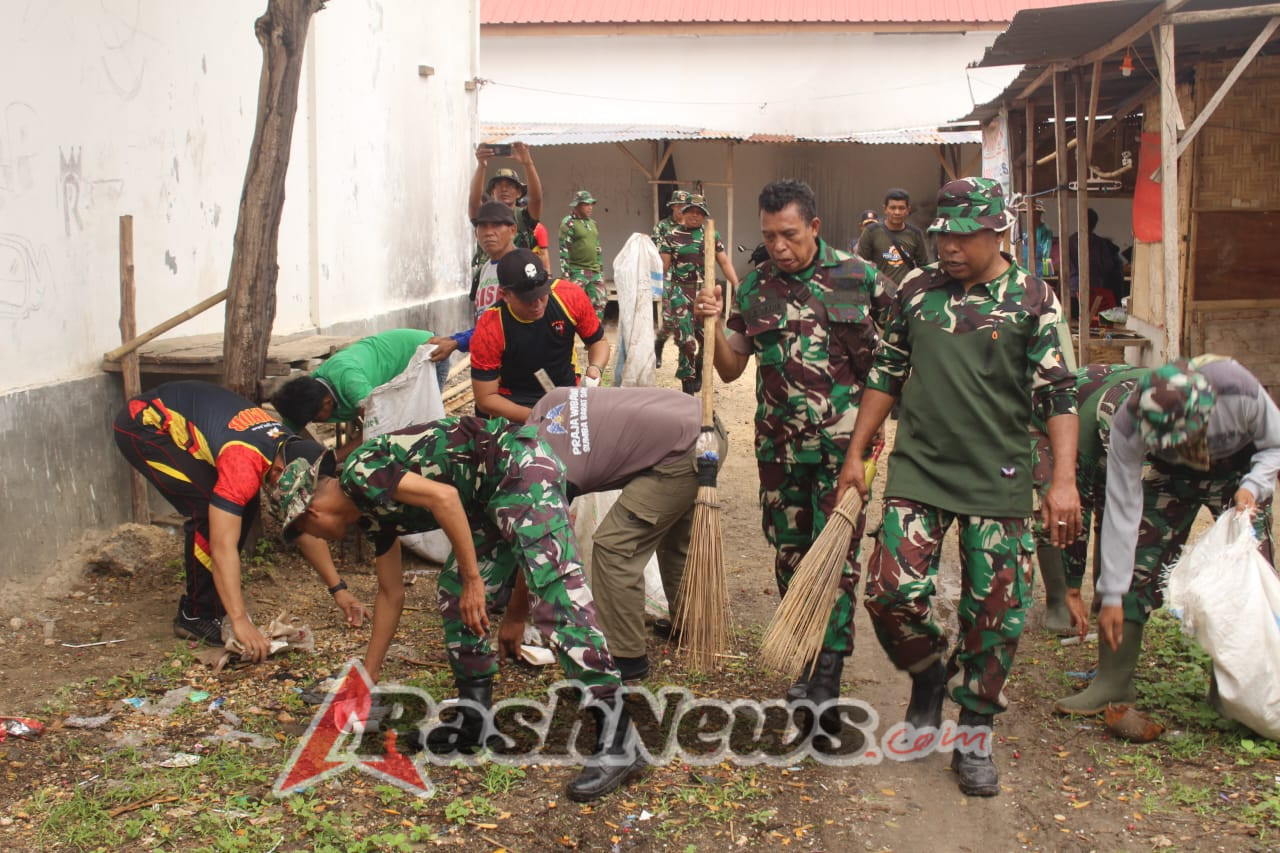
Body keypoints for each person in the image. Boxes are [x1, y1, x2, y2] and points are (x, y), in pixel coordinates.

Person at [835, 176, 1080, 797]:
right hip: (921, 468)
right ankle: (927, 674)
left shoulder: (1032, 298)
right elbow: (887, 370)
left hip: (999, 476)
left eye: (964, 236)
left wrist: (1064, 482)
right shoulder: (916, 290)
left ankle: (973, 731)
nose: (948, 247)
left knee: (996, 611)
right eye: (943, 234)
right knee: (889, 592)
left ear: (999, 233)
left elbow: (1058, 394)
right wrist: (858, 452)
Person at [271, 416, 644, 801]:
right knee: (454, 593)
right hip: (485, 497)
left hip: (518, 466)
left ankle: (619, 739)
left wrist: (474, 580)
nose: (317, 541)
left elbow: (444, 498)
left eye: (307, 534)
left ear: (310, 514)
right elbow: (390, 594)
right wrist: (367, 679)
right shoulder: (368, 513)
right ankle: (473, 720)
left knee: (556, 597)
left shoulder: (361, 473)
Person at [694, 179, 891, 744]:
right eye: (768, 235)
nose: (779, 246)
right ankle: (806, 662)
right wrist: (707, 322)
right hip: (779, 452)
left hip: (845, 451)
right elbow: (731, 368)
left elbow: (898, 353)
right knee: (790, 557)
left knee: (836, 563)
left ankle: (825, 688)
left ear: (814, 228)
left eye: (789, 234)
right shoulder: (756, 285)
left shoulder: (860, 276)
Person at [1054, 355, 1280, 716]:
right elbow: (1122, 509)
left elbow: (1275, 445)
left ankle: (1235, 693)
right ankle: (1113, 683)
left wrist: (1253, 486)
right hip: (1171, 479)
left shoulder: (1240, 391)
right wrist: (1112, 593)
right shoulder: (1129, 423)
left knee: (1246, 580)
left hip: (1240, 477)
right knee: (1135, 561)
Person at [112, 380, 368, 655]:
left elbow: (300, 520)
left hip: (189, 411)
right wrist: (239, 621)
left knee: (236, 506)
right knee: (207, 511)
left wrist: (338, 588)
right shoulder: (244, 462)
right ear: (279, 471)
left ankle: (213, 603)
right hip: (143, 423)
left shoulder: (288, 455)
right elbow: (222, 544)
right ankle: (196, 615)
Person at [515, 386, 727, 681]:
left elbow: (546, 545)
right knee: (673, 538)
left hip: (685, 450)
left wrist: (519, 611)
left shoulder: (553, 471)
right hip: (701, 422)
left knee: (614, 547)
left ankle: (626, 656)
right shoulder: (548, 403)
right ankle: (692, 623)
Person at [1030, 364, 1148, 636]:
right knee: (1059, 506)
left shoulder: (1162, 401)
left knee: (1111, 504)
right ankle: (1059, 601)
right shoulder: (1089, 430)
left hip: (1098, 407)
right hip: (1047, 421)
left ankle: (1104, 594)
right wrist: (1073, 588)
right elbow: (1076, 511)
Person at [470, 249, 610, 421]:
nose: (536, 304)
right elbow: (486, 398)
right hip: (515, 402)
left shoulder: (569, 296)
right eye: (527, 298)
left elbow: (598, 341)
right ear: (505, 295)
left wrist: (595, 368)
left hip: (565, 393)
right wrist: (539, 418)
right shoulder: (490, 327)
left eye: (541, 294)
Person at [270, 329, 444, 458]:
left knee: (421, 426)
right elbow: (285, 436)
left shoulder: (352, 384)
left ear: (327, 402)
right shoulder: (307, 394)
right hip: (392, 363)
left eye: (315, 418)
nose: (314, 421)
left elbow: (378, 431)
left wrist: (334, 457)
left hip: (428, 351)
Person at [660, 193, 739, 395]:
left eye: (699, 213)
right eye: (691, 212)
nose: (695, 216)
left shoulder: (711, 235)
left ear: (705, 216)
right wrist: (663, 294)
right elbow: (663, 268)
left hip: (704, 293)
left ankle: (700, 371)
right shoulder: (671, 236)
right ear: (683, 213)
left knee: (707, 337)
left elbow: (724, 262)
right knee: (686, 340)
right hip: (680, 293)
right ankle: (687, 385)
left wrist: (736, 284)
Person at [428, 201, 522, 367]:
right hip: (495, 363)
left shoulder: (519, 265)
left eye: (496, 226)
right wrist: (453, 340)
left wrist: (456, 342)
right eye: (483, 226)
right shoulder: (486, 268)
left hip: (520, 364)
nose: (488, 233)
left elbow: (509, 324)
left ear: (512, 230)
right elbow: (484, 321)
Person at [855, 188, 932, 287]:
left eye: (901, 208)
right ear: (885, 209)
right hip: (879, 294)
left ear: (908, 210)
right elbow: (861, 265)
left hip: (906, 293)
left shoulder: (915, 234)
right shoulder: (871, 232)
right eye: (893, 208)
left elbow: (923, 267)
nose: (897, 212)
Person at [652, 190, 689, 369]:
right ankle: (659, 343)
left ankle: (686, 359)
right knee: (670, 317)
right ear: (673, 206)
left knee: (688, 319)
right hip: (668, 277)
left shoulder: (693, 225)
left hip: (689, 279)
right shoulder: (662, 226)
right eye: (679, 205)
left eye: (685, 206)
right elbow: (657, 254)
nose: (682, 209)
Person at [1068, 208, 1126, 318]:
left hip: (1073, 291)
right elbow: (1108, 266)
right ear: (1094, 224)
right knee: (1093, 319)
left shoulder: (1070, 241)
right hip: (1094, 291)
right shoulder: (1099, 243)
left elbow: (1064, 265)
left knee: (1075, 321)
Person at [559, 190, 606, 323]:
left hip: (595, 271)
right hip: (577, 271)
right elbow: (564, 250)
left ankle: (595, 337)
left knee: (600, 303)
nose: (590, 207)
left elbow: (597, 248)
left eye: (591, 204)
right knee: (572, 305)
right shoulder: (568, 223)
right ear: (577, 205)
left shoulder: (593, 224)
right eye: (586, 204)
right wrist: (566, 275)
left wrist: (601, 271)